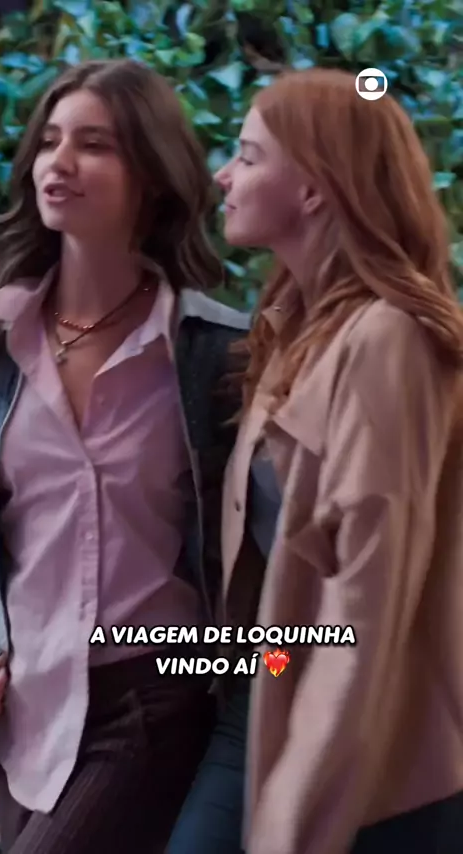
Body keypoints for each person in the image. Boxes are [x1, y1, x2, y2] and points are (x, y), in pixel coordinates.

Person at [167, 68, 463, 854]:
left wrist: (300, 806)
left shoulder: (388, 340)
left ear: (314, 188)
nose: (224, 176)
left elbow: (366, 597)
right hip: (267, 687)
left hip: (373, 751)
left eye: (248, 155)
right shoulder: (291, 326)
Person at [0, 58, 249, 854]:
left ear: (154, 178)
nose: (59, 163)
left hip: (157, 695)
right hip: (25, 713)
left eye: (93, 145)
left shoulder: (215, 353)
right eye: (49, 142)